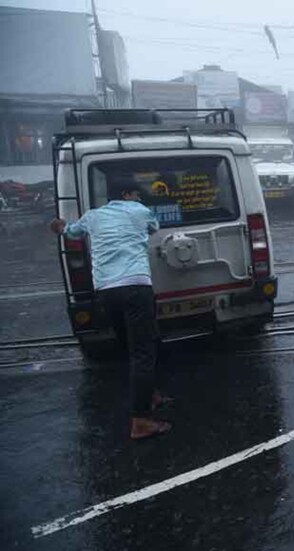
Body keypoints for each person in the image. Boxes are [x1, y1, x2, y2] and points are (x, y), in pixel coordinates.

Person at [49, 181, 171, 440]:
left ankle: (150, 395)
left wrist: (60, 227)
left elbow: (71, 232)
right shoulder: (140, 211)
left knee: (131, 343)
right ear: (126, 194)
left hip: (106, 290)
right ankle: (141, 420)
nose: (139, 199)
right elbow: (153, 228)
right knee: (143, 352)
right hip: (136, 287)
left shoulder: (93, 216)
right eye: (137, 195)